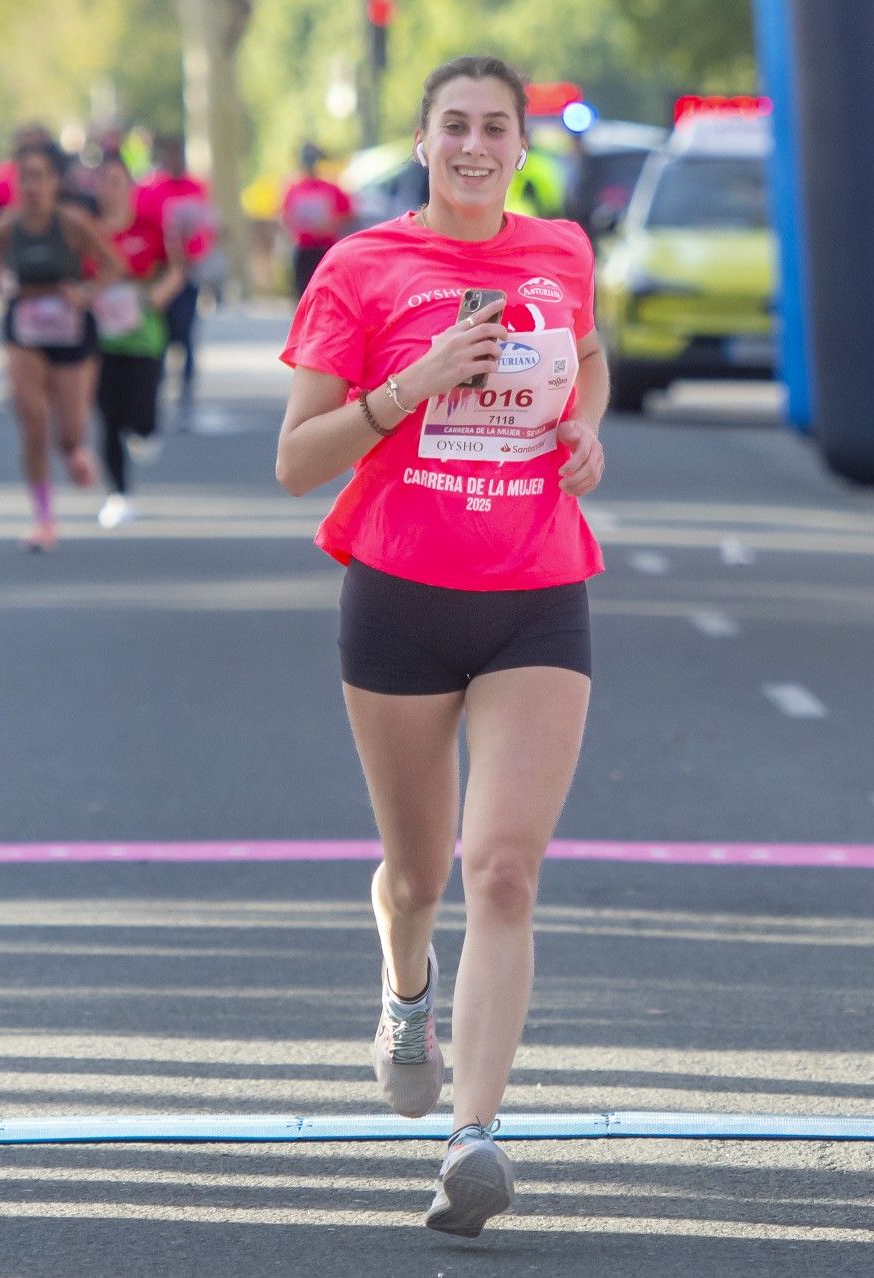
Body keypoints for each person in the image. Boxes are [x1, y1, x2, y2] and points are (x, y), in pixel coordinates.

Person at [274, 55, 609, 1237]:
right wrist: (408, 387)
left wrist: (584, 430)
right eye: (453, 127)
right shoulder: (362, 268)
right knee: (417, 879)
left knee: (502, 869)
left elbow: (589, 353)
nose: (475, 145)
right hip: (401, 593)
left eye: (495, 128)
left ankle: (474, 1136)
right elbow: (296, 458)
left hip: (537, 590)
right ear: (423, 144)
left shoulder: (560, 250)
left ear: (523, 146)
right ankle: (404, 991)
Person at [0, 140, 126, 551]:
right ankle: (44, 520)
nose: (31, 186)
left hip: (69, 329)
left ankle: (74, 451)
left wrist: (86, 293)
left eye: (40, 177)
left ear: (53, 183)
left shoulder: (72, 224)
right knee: (31, 421)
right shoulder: (4, 228)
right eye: (24, 178)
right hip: (24, 327)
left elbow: (113, 264)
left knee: (68, 432)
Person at [91, 152, 186, 528]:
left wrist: (159, 293)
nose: (110, 190)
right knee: (108, 415)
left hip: (143, 333)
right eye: (104, 182)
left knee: (141, 411)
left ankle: (146, 429)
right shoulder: (88, 230)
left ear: (129, 187)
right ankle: (118, 494)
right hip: (98, 337)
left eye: (117, 181)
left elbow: (176, 268)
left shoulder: (149, 227)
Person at [135, 135, 215, 414]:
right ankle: (151, 396)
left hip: (188, 273)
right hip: (162, 275)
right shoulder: (150, 190)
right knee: (160, 338)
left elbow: (207, 228)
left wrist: (198, 255)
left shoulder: (197, 188)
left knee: (186, 335)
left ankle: (186, 398)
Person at [280, 142, 352, 300]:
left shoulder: (330, 188)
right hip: (303, 248)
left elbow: (347, 214)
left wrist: (329, 224)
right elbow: (286, 217)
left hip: (325, 248)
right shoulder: (294, 189)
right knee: (302, 293)